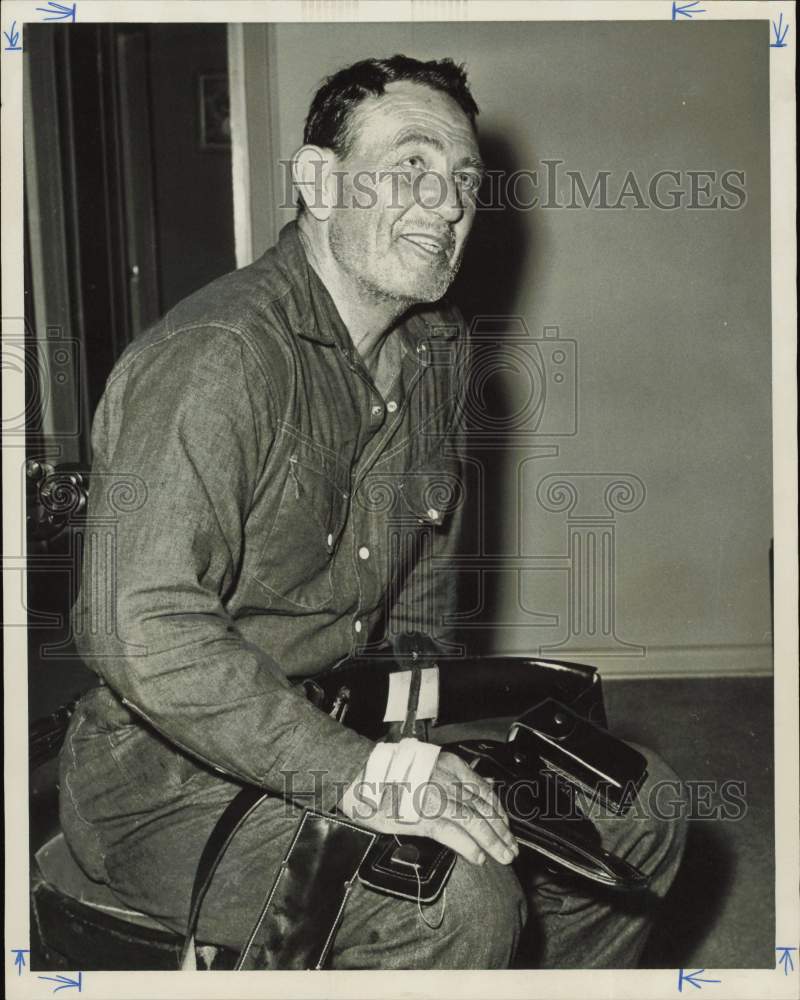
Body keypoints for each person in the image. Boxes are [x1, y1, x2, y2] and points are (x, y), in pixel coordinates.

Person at [59, 54, 686, 970]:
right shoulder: (216, 359)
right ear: (318, 181)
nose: (447, 204)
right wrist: (361, 781)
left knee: (642, 808)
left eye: (465, 180)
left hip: (350, 719)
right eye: (413, 166)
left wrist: (418, 750)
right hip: (160, 775)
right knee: (450, 898)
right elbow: (142, 627)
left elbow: (420, 601)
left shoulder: (436, 352)